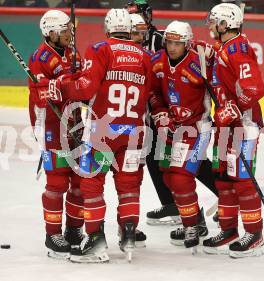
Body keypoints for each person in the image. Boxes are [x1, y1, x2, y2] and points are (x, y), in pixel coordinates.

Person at [46, 8, 154, 263]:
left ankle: (95, 240)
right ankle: (128, 231)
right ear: (128, 29)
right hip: (134, 132)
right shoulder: (144, 56)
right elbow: (148, 92)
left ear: (107, 28)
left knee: (91, 184)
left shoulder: (100, 49)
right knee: (129, 186)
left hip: (103, 133)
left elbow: (86, 89)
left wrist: (64, 84)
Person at [126, 0, 218, 227]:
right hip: (152, 113)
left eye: (138, 19)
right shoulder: (125, 43)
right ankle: (173, 204)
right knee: (158, 160)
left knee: (184, 162)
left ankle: (223, 196)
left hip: (177, 116)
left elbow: (187, 56)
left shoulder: (160, 39)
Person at [205, 3, 264, 258]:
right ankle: (229, 229)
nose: (210, 25)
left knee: (242, 180)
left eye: (213, 21)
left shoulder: (237, 49)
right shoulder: (226, 48)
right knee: (223, 177)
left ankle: (254, 234)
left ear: (224, 25)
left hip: (244, 124)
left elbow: (254, 89)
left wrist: (233, 110)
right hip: (227, 125)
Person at [150, 20, 213, 250]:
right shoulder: (157, 61)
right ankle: (196, 219)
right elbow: (153, 91)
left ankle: (190, 226)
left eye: (177, 43)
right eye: (169, 42)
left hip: (197, 128)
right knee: (167, 176)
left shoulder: (200, 64)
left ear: (187, 43)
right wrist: (159, 112)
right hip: (171, 127)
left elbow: (221, 86)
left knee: (181, 177)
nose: (172, 47)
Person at [28, 10, 84, 259]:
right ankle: (52, 234)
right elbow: (41, 98)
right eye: (63, 30)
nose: (68, 34)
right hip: (50, 126)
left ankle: (73, 231)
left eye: (68, 29)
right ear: (50, 33)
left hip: (74, 122)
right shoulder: (39, 58)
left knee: (80, 181)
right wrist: (62, 85)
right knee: (58, 181)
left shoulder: (73, 53)